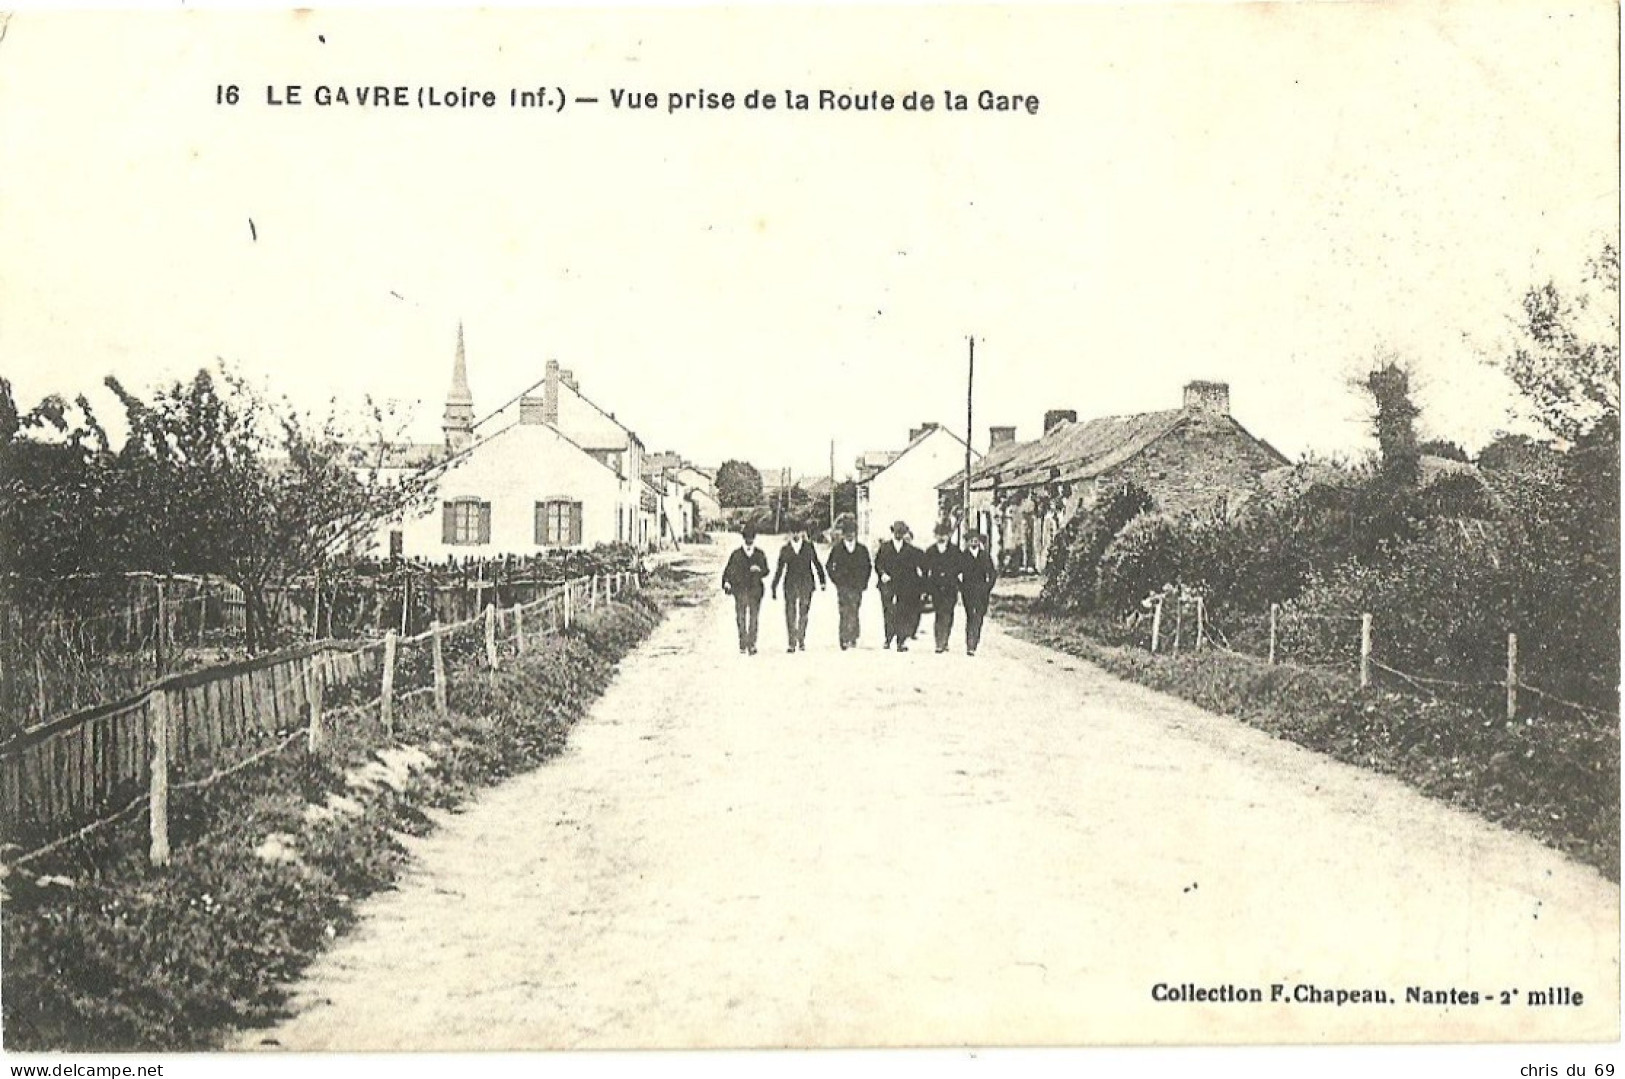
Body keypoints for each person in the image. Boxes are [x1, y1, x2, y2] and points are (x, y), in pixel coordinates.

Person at [771, 526, 827, 652]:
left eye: (798, 531)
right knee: (790, 612)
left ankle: (801, 638)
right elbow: (779, 569)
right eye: (793, 531)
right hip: (790, 584)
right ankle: (791, 642)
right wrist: (774, 586)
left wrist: (822, 581)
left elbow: (817, 564)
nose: (795, 534)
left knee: (803, 611)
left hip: (806, 583)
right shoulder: (785, 549)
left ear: (802, 532)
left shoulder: (808, 547)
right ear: (790, 533)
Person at [873, 519, 922, 651]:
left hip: (904, 585)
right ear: (893, 532)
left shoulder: (910, 550)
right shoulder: (885, 547)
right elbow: (878, 563)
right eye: (897, 531)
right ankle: (888, 638)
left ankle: (901, 641)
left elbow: (919, 564)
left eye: (902, 532)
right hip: (887, 584)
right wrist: (882, 574)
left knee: (903, 612)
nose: (899, 534)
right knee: (888, 611)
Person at [824, 514, 872, 650]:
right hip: (843, 585)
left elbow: (868, 566)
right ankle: (844, 637)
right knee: (844, 610)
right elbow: (829, 566)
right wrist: (836, 579)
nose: (850, 536)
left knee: (855, 609)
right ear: (843, 535)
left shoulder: (862, 549)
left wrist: (864, 582)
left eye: (852, 533)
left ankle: (854, 636)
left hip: (857, 585)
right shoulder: (838, 549)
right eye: (847, 534)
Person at [721, 528, 770, 654]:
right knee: (741, 617)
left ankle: (752, 643)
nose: (749, 541)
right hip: (740, 589)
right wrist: (726, 582)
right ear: (744, 538)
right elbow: (728, 570)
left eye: (751, 538)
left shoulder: (759, 554)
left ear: (754, 539)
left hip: (755, 590)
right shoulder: (736, 554)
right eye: (747, 538)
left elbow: (766, 570)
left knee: (754, 617)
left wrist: (759, 569)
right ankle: (743, 642)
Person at [920, 522, 964, 653]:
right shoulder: (930, 551)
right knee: (939, 613)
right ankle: (939, 642)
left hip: (950, 586)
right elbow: (925, 570)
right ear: (935, 535)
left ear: (949, 535)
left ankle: (945, 639)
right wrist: (926, 588)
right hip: (935, 587)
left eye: (944, 535)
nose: (941, 537)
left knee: (948, 612)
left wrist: (951, 575)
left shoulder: (955, 551)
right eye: (939, 534)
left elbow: (960, 566)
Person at [960, 530, 999, 656]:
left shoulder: (985, 556)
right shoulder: (963, 556)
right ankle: (970, 644)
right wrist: (961, 587)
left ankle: (975, 641)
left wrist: (988, 586)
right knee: (971, 616)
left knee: (979, 616)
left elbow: (992, 573)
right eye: (971, 540)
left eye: (976, 540)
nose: (974, 542)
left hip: (982, 591)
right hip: (968, 591)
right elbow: (955, 573)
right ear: (967, 542)